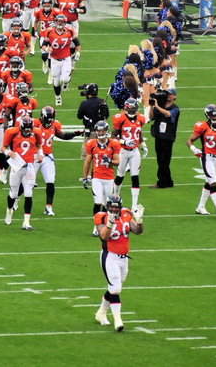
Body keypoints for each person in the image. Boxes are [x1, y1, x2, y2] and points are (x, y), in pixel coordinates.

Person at [94, 194, 144, 332]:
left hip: (124, 258)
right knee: (115, 288)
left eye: (116, 208)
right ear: (107, 207)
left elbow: (138, 232)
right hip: (109, 255)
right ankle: (118, 320)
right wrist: (110, 223)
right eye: (111, 207)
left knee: (114, 287)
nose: (113, 210)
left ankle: (101, 312)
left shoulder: (126, 214)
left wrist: (139, 221)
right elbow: (103, 236)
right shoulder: (101, 216)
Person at [186, 104, 216, 218]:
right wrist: (194, 149)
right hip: (206, 157)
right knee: (213, 183)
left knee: (209, 182)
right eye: (213, 115)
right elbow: (189, 141)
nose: (215, 117)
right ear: (208, 115)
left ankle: (200, 207)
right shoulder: (202, 126)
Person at [2, 116, 43, 230]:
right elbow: (3, 147)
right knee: (13, 194)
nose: (26, 132)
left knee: (28, 193)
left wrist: (41, 154)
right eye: (25, 130)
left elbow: (39, 146)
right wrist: (9, 152)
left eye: (28, 130)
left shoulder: (36, 133)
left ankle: (26, 222)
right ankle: (9, 210)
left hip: (29, 166)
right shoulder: (12, 132)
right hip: (16, 167)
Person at [83, 121, 121, 236]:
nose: (100, 132)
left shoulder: (113, 144)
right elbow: (87, 161)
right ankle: (96, 226)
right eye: (99, 130)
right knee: (97, 201)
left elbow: (117, 162)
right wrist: (85, 177)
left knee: (106, 204)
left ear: (106, 131)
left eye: (102, 130)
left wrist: (109, 161)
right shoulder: (92, 144)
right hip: (97, 177)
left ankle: (104, 225)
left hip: (109, 178)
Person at [112, 97, 148, 210]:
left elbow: (139, 132)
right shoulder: (120, 119)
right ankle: (115, 197)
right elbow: (113, 136)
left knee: (135, 177)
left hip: (134, 151)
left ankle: (134, 205)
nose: (132, 111)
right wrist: (124, 141)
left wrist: (143, 144)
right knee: (120, 175)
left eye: (134, 109)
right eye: (130, 109)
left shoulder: (140, 118)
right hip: (122, 150)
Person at [148, 88, 180, 189]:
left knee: (164, 161)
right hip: (158, 135)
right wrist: (152, 106)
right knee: (160, 160)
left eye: (171, 94)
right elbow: (151, 117)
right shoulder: (160, 105)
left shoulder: (175, 108)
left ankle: (161, 182)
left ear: (174, 96)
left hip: (167, 137)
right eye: (168, 94)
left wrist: (157, 106)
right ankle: (168, 181)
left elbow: (169, 114)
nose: (169, 96)